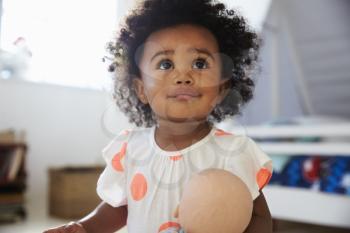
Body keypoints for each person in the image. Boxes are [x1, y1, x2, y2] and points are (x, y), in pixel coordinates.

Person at [44, 0, 273, 232]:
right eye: (165, 64)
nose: (183, 76)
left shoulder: (233, 151)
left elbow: (260, 217)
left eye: (200, 63)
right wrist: (84, 227)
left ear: (222, 89)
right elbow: (120, 207)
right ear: (141, 89)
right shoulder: (131, 148)